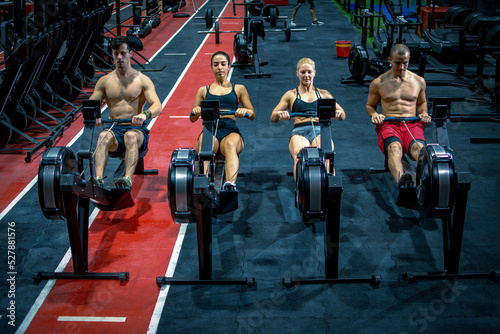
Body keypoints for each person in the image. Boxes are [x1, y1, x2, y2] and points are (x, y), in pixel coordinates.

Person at [90, 36, 162, 189]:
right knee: (102, 137)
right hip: (114, 129)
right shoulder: (104, 81)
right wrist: (94, 116)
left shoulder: (142, 80)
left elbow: (157, 106)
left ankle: (127, 180)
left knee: (130, 136)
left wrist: (144, 115)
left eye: (123, 53)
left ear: (131, 54)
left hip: (135, 129)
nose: (119, 57)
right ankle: (97, 180)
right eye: (116, 54)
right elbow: (91, 105)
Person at [366, 43, 431, 188]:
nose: (401, 67)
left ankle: (426, 185)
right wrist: (375, 114)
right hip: (389, 124)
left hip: (412, 124)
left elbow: (422, 103)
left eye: (405, 63)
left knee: (419, 151)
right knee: (395, 149)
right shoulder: (378, 83)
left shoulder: (419, 81)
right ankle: (403, 182)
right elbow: (370, 106)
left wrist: (424, 113)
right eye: (397, 63)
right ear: (389, 60)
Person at [271, 57, 345, 180]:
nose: (306, 75)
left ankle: (330, 191)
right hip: (299, 131)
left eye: (309, 72)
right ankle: (301, 193)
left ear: (314, 73)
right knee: (300, 157)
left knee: (326, 156)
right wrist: (280, 114)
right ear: (297, 73)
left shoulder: (324, 94)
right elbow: (273, 117)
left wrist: (338, 114)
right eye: (303, 72)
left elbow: (342, 114)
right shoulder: (291, 94)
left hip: (319, 130)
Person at [190, 51, 255, 191]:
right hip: (210, 129)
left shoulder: (238, 89)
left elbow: (252, 113)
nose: (219, 67)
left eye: (223, 64)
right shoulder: (203, 90)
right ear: (212, 67)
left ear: (229, 66)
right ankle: (203, 183)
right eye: (216, 64)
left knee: (231, 145)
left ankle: (230, 185)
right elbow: (192, 118)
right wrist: (196, 111)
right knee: (206, 146)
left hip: (230, 129)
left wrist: (243, 111)